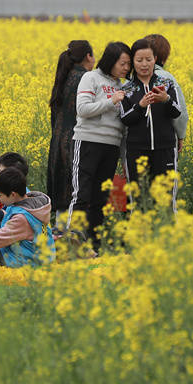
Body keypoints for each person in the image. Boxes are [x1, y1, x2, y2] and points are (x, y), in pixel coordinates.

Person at [67, 41, 131, 248]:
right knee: (81, 194)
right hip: (87, 141)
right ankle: (73, 241)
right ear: (111, 61)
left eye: (128, 64)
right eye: (123, 63)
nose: (126, 68)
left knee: (100, 199)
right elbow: (82, 109)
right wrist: (111, 101)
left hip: (111, 146)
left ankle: (93, 246)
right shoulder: (90, 77)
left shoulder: (122, 86)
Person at [119, 39, 182, 210]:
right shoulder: (127, 88)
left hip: (165, 149)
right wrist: (140, 106)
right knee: (138, 201)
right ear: (133, 62)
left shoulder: (166, 83)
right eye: (139, 60)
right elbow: (125, 118)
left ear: (155, 59)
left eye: (148, 59)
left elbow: (177, 111)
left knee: (166, 201)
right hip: (137, 151)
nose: (144, 64)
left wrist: (166, 99)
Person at [0, 167, 55, 269]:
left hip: (24, 263)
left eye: (0, 195)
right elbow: (13, 223)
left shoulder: (22, 218)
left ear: (13, 194)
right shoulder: (32, 205)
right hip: (29, 256)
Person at [46, 40, 94, 220]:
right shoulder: (85, 78)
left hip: (58, 144)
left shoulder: (64, 77)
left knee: (63, 200)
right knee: (76, 196)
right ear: (88, 56)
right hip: (75, 143)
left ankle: (60, 240)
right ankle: (72, 241)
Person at [144, 34, 188, 152]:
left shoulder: (133, 78)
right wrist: (181, 135)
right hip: (165, 142)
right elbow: (180, 112)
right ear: (164, 56)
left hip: (136, 143)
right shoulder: (167, 78)